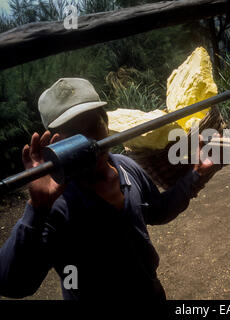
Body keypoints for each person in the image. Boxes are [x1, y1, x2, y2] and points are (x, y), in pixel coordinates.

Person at [0, 78, 217, 300]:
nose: (90, 141)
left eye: (94, 125)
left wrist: (196, 174)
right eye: (73, 133)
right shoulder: (56, 205)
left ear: (106, 123)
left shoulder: (126, 167)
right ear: (54, 142)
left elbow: (158, 211)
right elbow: (12, 285)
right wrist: (37, 209)